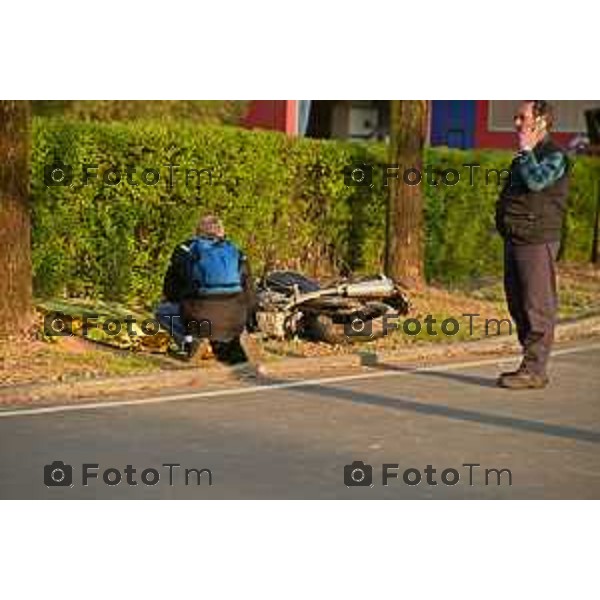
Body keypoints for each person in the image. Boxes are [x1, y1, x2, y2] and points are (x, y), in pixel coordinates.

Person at [495, 101, 569, 389]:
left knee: (537, 305)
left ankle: (535, 370)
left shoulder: (554, 156)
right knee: (517, 303)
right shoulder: (523, 157)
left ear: (541, 121)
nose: (516, 122)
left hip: (537, 239)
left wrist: (526, 151)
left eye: (522, 117)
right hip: (516, 238)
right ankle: (530, 362)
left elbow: (537, 182)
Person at [156, 215, 255, 362]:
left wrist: (178, 299)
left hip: (201, 314)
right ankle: (228, 343)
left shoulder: (186, 249)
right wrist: (250, 322)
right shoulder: (236, 252)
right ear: (222, 232)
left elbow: (171, 287)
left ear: (198, 232)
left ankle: (190, 342)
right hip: (233, 317)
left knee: (162, 312)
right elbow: (249, 291)